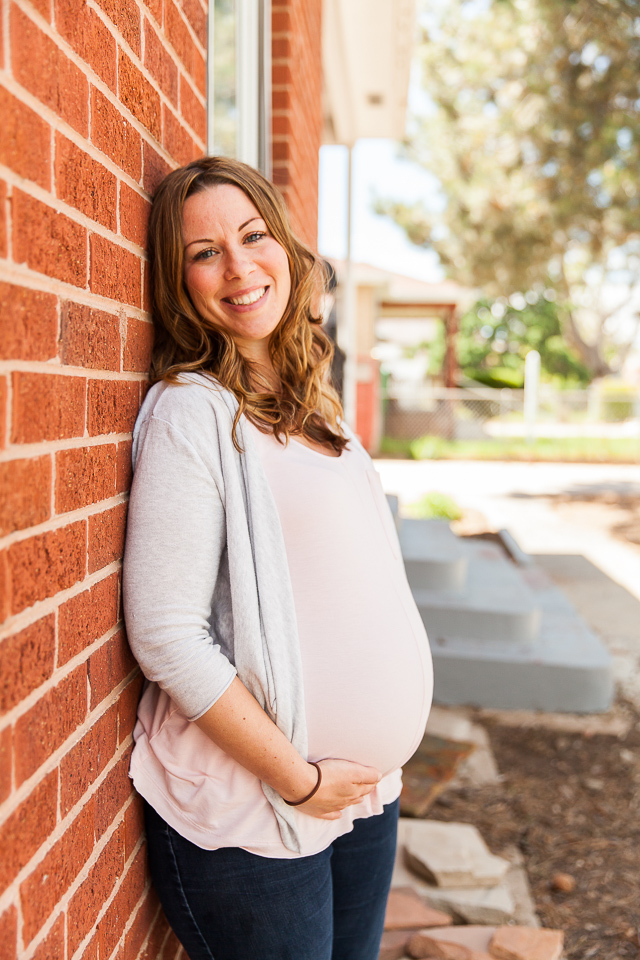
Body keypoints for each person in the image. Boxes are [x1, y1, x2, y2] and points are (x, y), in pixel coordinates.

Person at [123, 156, 433, 960]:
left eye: (254, 235)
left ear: (286, 246)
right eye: (204, 252)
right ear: (178, 279)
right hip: (259, 811)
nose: (238, 267)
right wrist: (298, 780)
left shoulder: (313, 405)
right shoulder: (194, 411)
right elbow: (165, 633)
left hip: (362, 797)